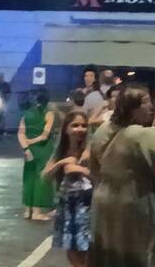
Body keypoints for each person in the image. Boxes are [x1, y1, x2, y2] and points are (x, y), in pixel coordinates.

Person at [88, 84, 155, 267]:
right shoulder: (143, 135)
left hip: (103, 199)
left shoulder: (102, 130)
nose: (150, 107)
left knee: (107, 255)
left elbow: (93, 168)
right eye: (145, 103)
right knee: (134, 255)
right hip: (133, 201)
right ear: (131, 108)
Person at [42, 111, 91, 267]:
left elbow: (103, 178)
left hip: (87, 206)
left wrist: (79, 170)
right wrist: (61, 163)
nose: (80, 129)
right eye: (75, 125)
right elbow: (45, 176)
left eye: (84, 125)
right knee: (71, 250)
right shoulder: (60, 151)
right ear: (66, 129)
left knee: (86, 251)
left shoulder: (91, 150)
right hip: (67, 205)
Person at [18, 88, 55, 221]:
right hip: (43, 149)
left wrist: (26, 148)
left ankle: (28, 210)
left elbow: (20, 133)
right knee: (41, 178)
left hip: (29, 151)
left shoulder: (25, 114)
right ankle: (37, 212)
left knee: (28, 178)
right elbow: (45, 135)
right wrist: (33, 140)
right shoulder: (49, 114)